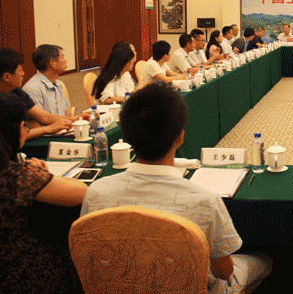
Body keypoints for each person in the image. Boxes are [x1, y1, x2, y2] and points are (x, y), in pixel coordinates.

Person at [81, 84, 271, 294]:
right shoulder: (205, 201)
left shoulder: (95, 193)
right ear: (180, 137)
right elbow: (224, 272)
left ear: (126, 136)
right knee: (265, 260)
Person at [0, 91, 87, 294]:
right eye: (26, 125)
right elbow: (82, 192)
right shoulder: (15, 176)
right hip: (22, 275)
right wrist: (39, 174)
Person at [0, 48, 71, 139]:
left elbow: (44, 117)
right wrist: (49, 129)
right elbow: (8, 136)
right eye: (20, 70)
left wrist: (74, 119)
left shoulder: (16, 91)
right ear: (7, 77)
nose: (23, 73)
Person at [23, 44, 72, 117]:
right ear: (52, 63)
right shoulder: (33, 89)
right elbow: (36, 121)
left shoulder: (58, 84)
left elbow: (65, 114)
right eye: (62, 58)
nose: (66, 61)